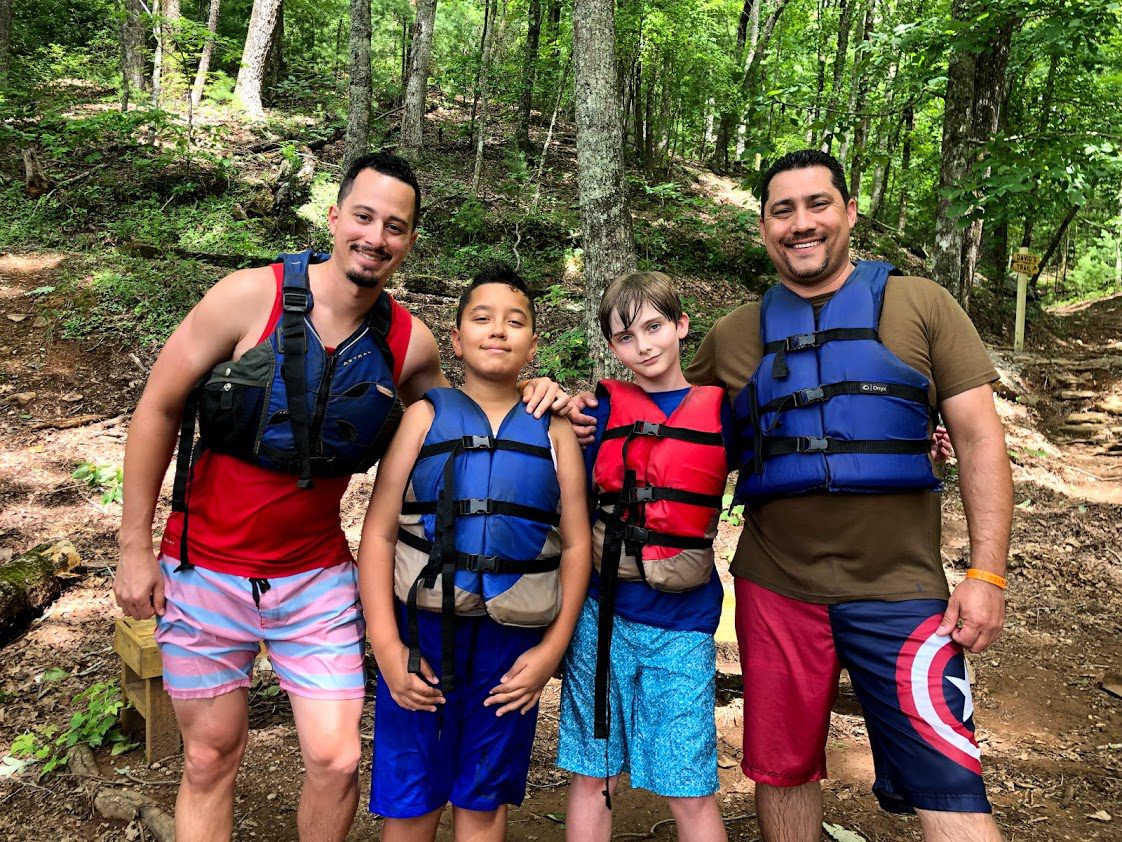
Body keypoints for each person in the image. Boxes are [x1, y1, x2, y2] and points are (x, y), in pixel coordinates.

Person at [113, 153, 566, 842]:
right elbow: (159, 406)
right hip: (203, 565)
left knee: (337, 758)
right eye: (364, 217)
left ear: (409, 241)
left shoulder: (407, 343)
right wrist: (133, 547)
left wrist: (543, 393)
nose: (375, 237)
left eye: (395, 226)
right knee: (209, 756)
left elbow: (469, 420)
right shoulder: (247, 297)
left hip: (315, 576)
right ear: (334, 217)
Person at [570, 149, 1012, 841]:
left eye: (817, 204)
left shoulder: (923, 305)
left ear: (850, 212)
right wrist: (567, 406)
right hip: (775, 589)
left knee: (949, 782)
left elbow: (981, 439)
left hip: (902, 589)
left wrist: (986, 574)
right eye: (783, 210)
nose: (801, 223)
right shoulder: (734, 336)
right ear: (764, 227)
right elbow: (664, 412)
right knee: (782, 771)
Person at [356, 265, 591, 842]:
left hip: (511, 646)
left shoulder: (555, 429)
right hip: (421, 636)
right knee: (411, 800)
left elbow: (577, 544)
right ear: (457, 340)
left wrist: (551, 652)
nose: (498, 330)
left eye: (515, 322)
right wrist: (386, 647)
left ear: (533, 344)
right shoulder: (424, 416)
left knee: (483, 799)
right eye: (482, 319)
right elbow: (379, 533)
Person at [559, 271, 729, 842]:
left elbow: (783, 464)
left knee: (690, 787)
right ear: (612, 346)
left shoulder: (723, 413)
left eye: (655, 327)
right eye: (626, 336)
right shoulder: (599, 412)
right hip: (600, 617)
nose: (644, 345)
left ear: (682, 325)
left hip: (683, 624)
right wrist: (547, 392)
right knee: (593, 775)